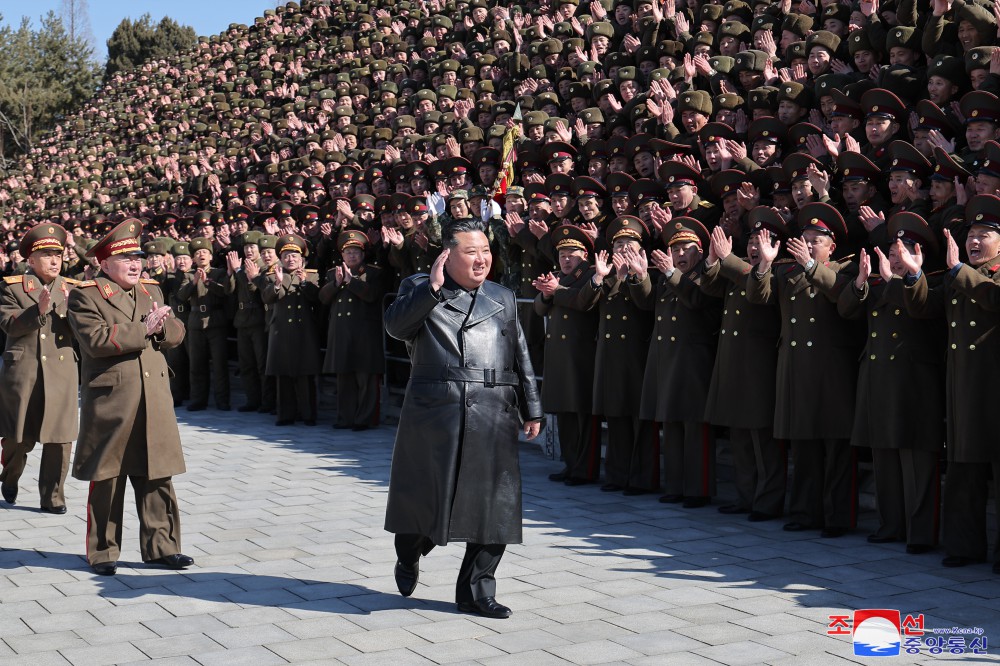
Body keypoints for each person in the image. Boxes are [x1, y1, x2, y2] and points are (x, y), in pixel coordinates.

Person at [384, 218, 543, 619]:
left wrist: (532, 407)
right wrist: (432, 290)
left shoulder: (502, 296)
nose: (481, 260)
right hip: (437, 412)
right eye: (471, 252)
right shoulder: (420, 289)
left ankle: (476, 592)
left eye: (486, 251)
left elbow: (519, 353)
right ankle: (409, 553)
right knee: (427, 506)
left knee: (496, 507)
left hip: (494, 410)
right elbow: (396, 327)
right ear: (447, 254)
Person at [67, 219, 193, 576]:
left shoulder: (151, 290)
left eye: (138, 257)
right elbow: (95, 340)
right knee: (107, 476)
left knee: (157, 472)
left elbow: (175, 335)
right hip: (113, 399)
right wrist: (144, 329)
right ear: (104, 264)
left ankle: (162, 547)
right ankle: (103, 552)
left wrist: (165, 325)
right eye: (126, 259)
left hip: (153, 395)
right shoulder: (86, 295)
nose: (136, 264)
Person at [0, 223, 79, 513]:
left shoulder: (72, 290)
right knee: (18, 438)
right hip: (24, 373)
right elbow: (8, 324)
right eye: (46, 254)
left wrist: (74, 314)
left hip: (61, 372)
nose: (55, 260)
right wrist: (38, 311)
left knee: (60, 437)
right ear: (30, 260)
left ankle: (53, 496)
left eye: (58, 254)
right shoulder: (13, 288)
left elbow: (83, 332)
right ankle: (10, 476)